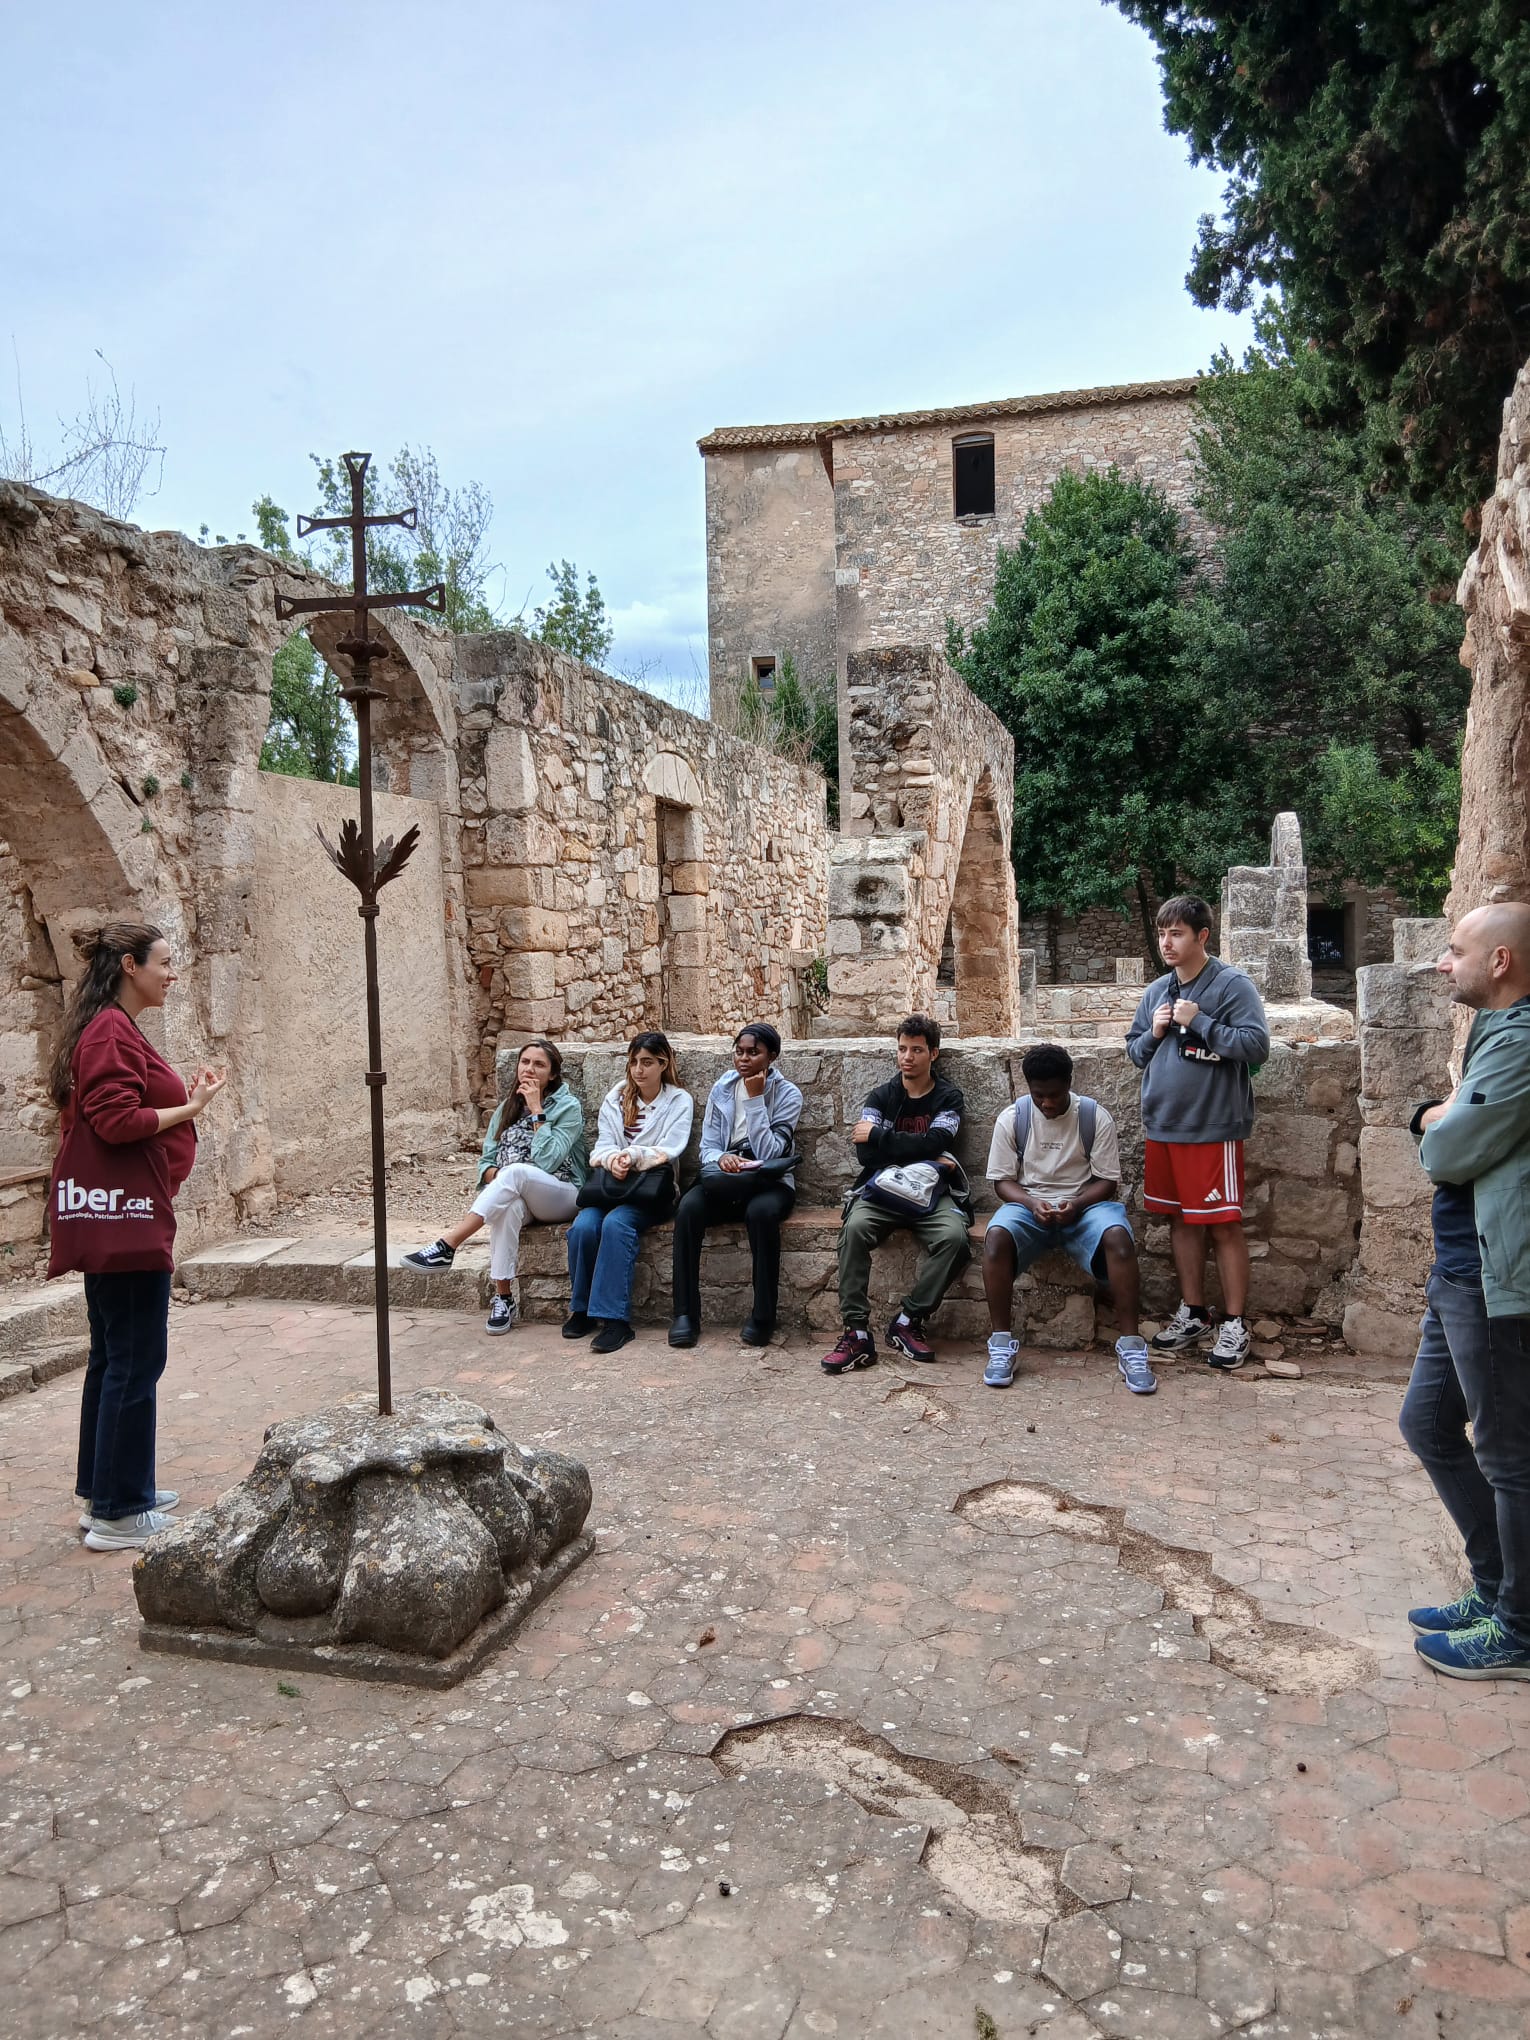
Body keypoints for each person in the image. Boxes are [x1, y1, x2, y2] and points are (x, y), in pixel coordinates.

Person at [47, 924, 225, 1552]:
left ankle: (111, 1491)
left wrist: (187, 1098)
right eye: (165, 963)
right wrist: (192, 1110)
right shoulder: (107, 1033)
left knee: (114, 1358)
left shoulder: (112, 1028)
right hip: (125, 1224)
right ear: (129, 965)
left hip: (124, 1218)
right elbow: (118, 1120)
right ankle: (120, 1511)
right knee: (134, 1361)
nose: (171, 974)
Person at [1401, 901, 1530, 1681]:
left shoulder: (1520, 1043)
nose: (1445, 963)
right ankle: (1495, 1588)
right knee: (1429, 1425)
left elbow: (1449, 1151)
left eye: (1456, 951)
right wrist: (1443, 1115)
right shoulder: (1498, 1034)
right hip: (1459, 1270)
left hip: (1494, 1280)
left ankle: (1519, 1627)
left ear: (1502, 962)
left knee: (1511, 1455)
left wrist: (1432, 1118)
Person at [1125, 895, 1270, 1370]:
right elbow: (1135, 1052)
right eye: (1163, 933)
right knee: (1180, 1220)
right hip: (1163, 1125)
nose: (1167, 942)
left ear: (1202, 936)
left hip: (1212, 1127)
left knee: (1223, 1223)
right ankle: (1193, 1312)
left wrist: (1200, 1022)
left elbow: (1255, 1047)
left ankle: (1234, 1322)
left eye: (1178, 933)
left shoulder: (1231, 986)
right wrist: (1156, 1032)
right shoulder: (1156, 992)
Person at [981, 1043, 1154, 1394]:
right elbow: (1002, 1182)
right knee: (997, 1235)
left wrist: (1074, 1205)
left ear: (1069, 1084)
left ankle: (1132, 1346)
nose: (1046, 1103)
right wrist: (1031, 1203)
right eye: (1039, 1095)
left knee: (1119, 1239)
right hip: (1029, 1205)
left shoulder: (1092, 1116)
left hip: (1085, 1205)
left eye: (1055, 1095)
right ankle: (1001, 1344)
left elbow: (1107, 1181)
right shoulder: (1013, 1118)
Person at [403, 1038, 588, 1332]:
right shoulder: (505, 1109)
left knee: (515, 1172)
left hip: (562, 1193)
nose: (529, 1069)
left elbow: (549, 1161)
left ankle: (447, 1245)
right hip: (520, 1194)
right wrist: (499, 1177)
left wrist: (537, 1109)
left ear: (552, 1074)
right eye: (525, 1062)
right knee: (507, 1206)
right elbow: (485, 1164)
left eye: (539, 1064)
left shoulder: (568, 1107)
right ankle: (503, 1298)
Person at [821, 1013, 970, 1374]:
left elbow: (939, 1140)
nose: (907, 1057)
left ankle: (908, 1320)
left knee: (954, 1239)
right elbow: (865, 1155)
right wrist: (917, 1147)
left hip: (932, 1192)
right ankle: (856, 1332)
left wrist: (879, 1137)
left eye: (916, 1050)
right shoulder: (882, 1095)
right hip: (881, 1188)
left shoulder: (948, 1097)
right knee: (854, 1230)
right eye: (902, 1049)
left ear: (933, 1054)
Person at [669, 1024, 803, 1349]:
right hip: (725, 1178)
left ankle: (762, 1317)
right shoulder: (723, 1088)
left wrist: (756, 1100)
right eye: (739, 1051)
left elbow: (772, 1151)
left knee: (761, 1215)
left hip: (768, 1181)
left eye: (753, 1052)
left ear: (771, 1056)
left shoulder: (788, 1095)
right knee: (688, 1209)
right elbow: (708, 1147)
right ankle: (685, 1314)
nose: (744, 1059)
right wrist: (724, 1158)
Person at [566, 1031, 693, 1355]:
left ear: (663, 1063)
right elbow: (602, 1146)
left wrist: (633, 1157)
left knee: (616, 1225)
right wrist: (613, 1159)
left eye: (647, 1062)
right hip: (612, 1185)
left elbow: (671, 1147)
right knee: (583, 1226)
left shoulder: (678, 1100)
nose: (639, 1069)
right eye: (634, 1062)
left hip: (652, 1191)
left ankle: (615, 1321)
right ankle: (581, 1309)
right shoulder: (617, 1097)